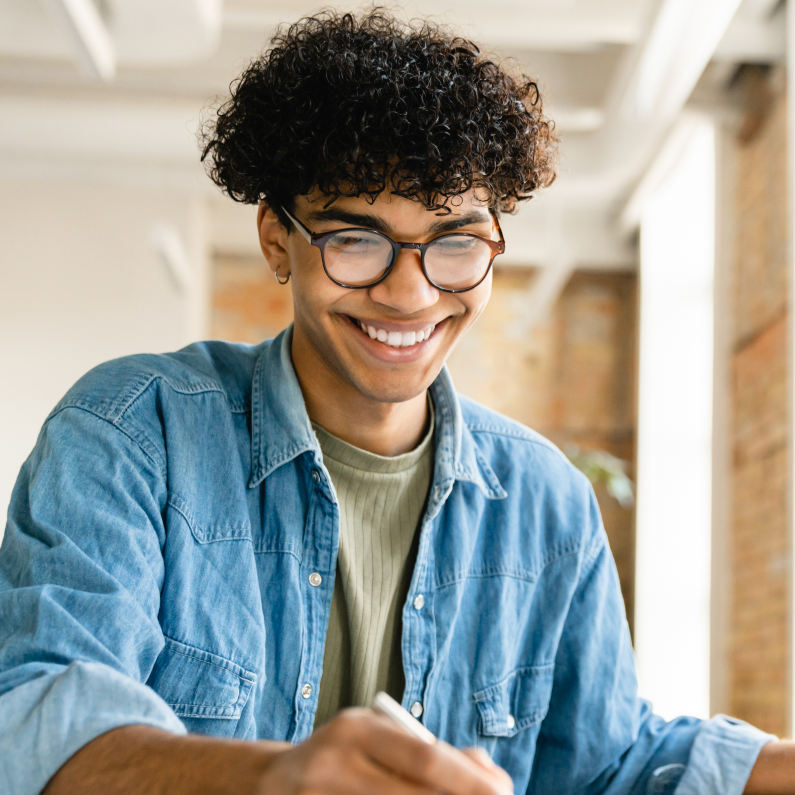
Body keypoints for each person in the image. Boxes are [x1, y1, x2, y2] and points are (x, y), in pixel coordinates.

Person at [1, 9, 794, 795]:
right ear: (278, 238)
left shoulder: (548, 504)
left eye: (453, 242)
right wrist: (274, 779)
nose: (409, 293)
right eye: (355, 238)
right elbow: (36, 724)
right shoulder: (133, 432)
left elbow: (602, 760)